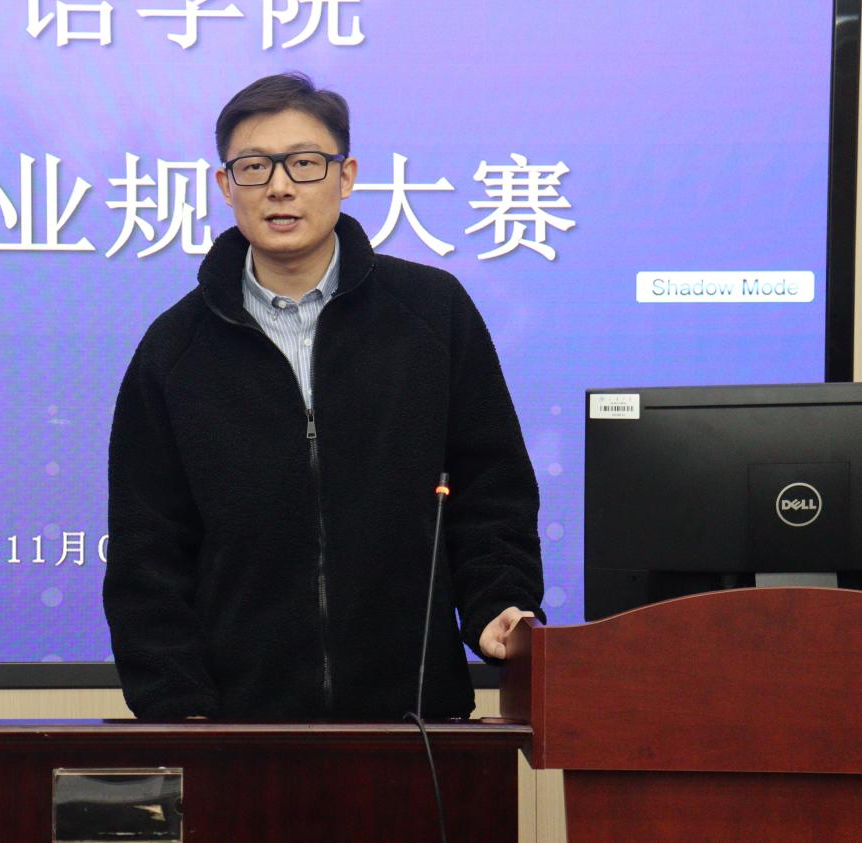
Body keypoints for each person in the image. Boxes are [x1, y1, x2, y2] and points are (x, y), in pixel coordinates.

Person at [105, 72, 543, 721]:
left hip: (416, 719)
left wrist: (496, 603)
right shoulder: (174, 350)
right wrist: (179, 705)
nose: (280, 186)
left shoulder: (431, 314)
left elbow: (490, 491)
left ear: (345, 176)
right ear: (225, 185)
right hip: (238, 727)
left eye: (304, 163)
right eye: (254, 166)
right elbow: (147, 551)